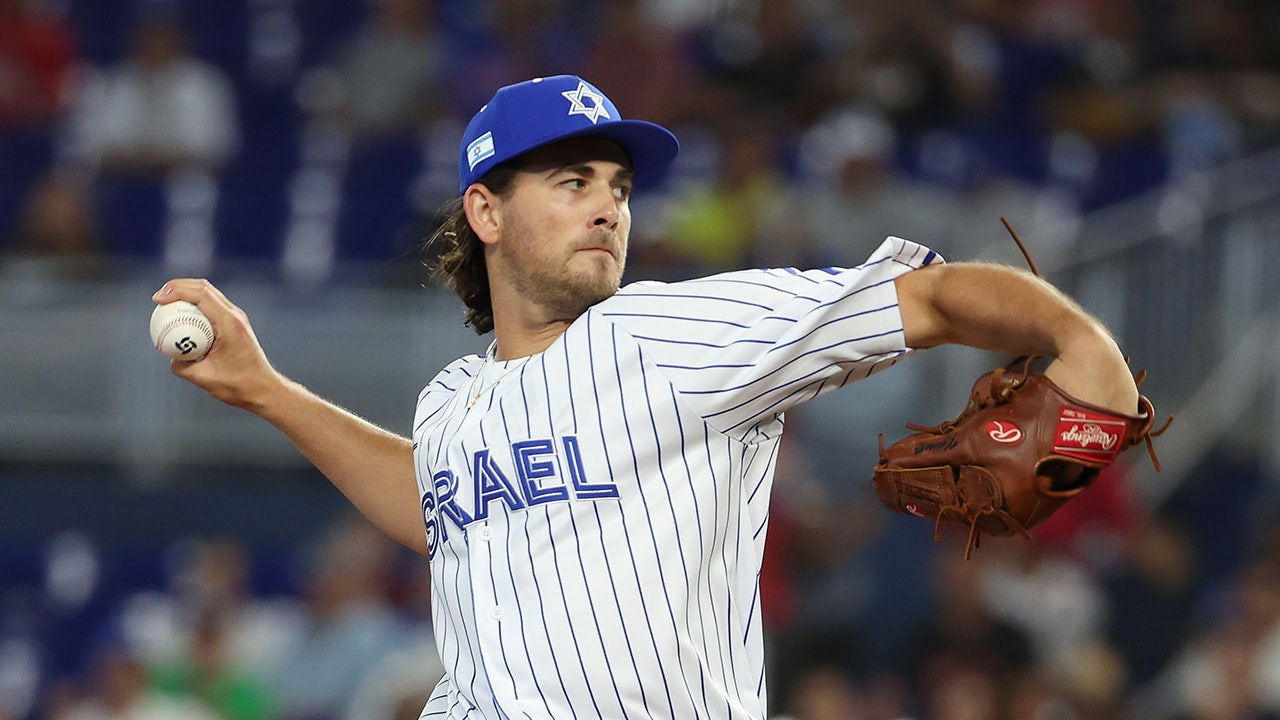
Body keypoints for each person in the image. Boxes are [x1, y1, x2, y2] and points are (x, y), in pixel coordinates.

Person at [153, 74, 1141, 719]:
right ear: (484, 211)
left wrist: (1076, 340)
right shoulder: (452, 398)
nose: (606, 205)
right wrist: (264, 390)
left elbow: (927, 296)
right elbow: (435, 503)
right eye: (572, 179)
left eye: (618, 188)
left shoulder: (676, 333)